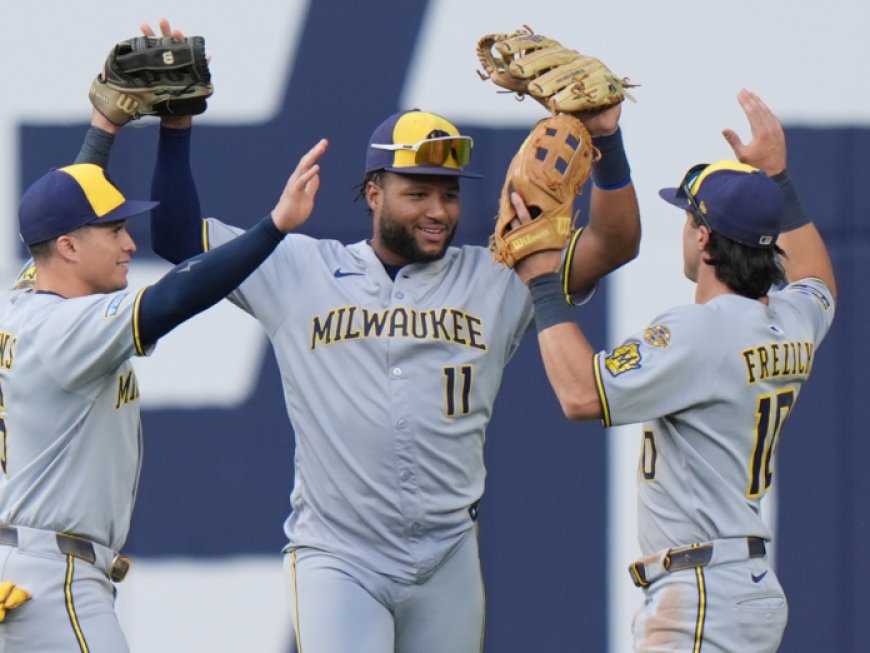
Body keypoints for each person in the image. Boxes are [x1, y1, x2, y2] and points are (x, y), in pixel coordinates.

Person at [143, 18, 641, 653]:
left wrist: (608, 141)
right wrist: (176, 128)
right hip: (339, 555)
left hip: (448, 556)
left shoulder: (498, 271)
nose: (437, 211)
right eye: (416, 193)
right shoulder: (302, 268)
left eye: (448, 194)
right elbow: (178, 241)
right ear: (374, 193)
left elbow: (615, 244)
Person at [509, 89, 836, 652]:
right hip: (748, 584)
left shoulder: (700, 331)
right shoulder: (793, 317)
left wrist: (541, 280)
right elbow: (819, 280)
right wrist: (778, 178)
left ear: (704, 236)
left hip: (701, 592)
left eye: (689, 217)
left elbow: (580, 395)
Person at [0, 99, 326, 650]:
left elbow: (61, 213)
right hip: (54, 583)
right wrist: (274, 227)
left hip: (28, 563)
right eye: (116, 232)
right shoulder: (66, 331)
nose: (131, 244)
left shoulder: (26, 295)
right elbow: (176, 295)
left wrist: (106, 128)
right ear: (69, 248)